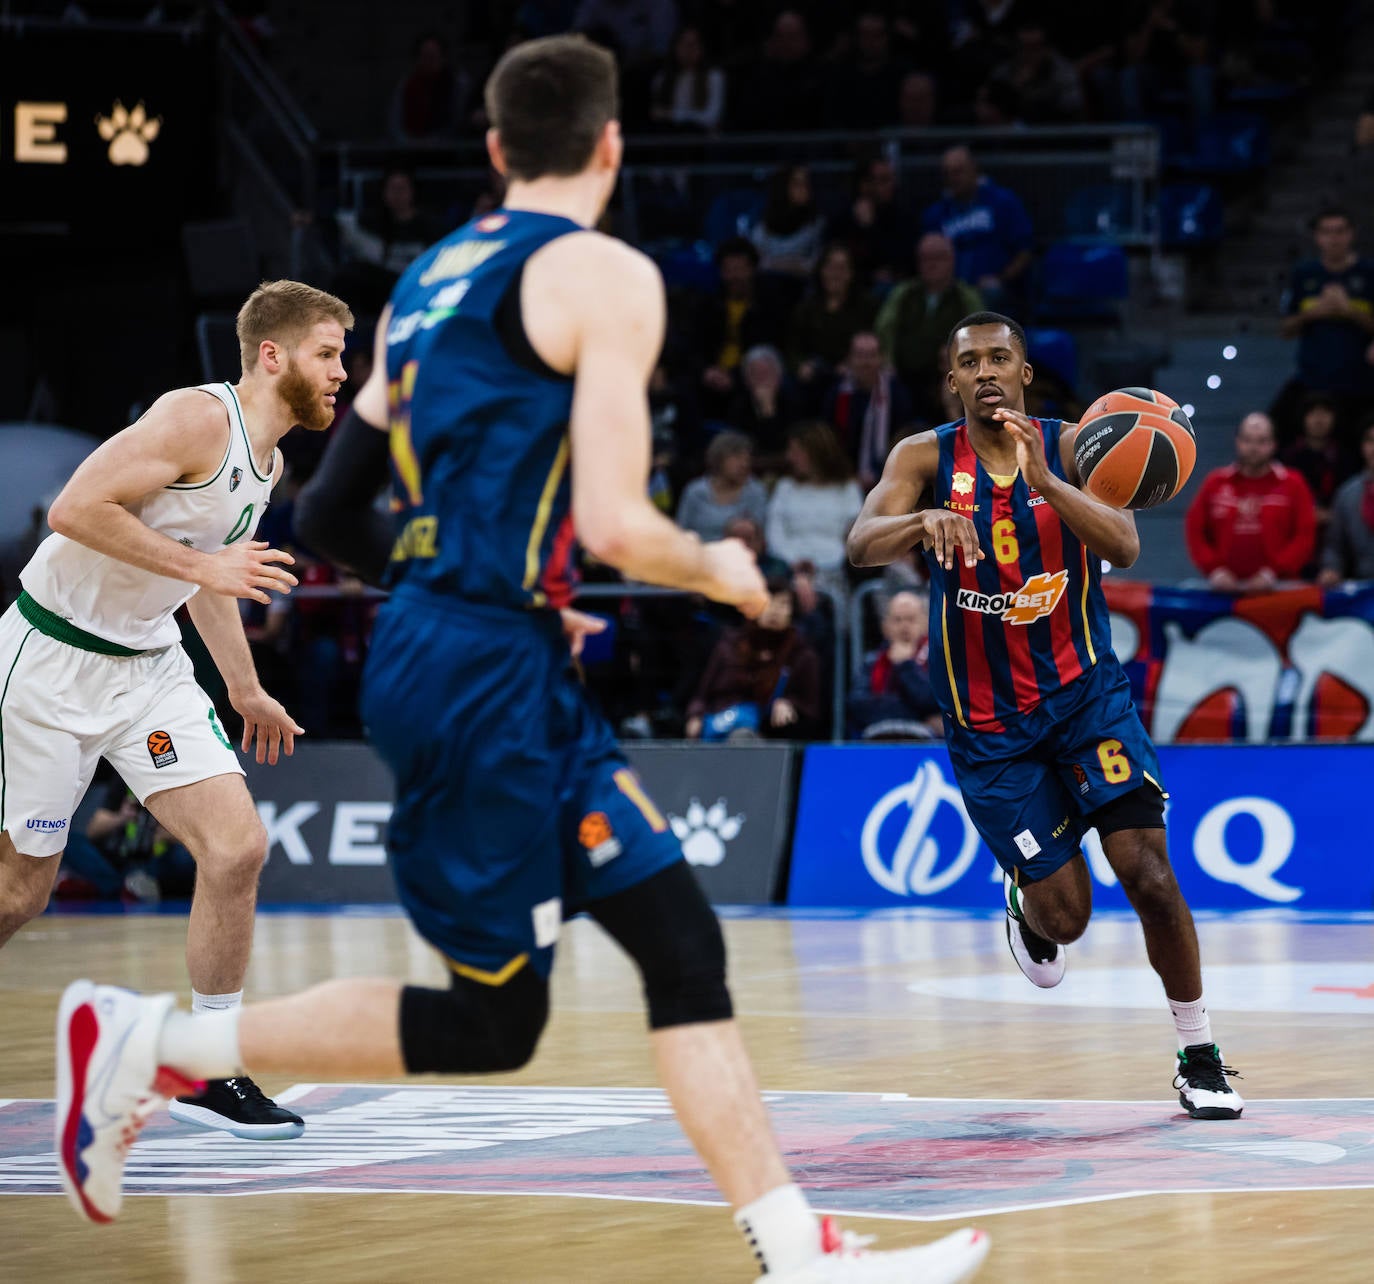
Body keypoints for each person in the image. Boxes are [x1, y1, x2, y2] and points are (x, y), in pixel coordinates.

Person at [54, 35, 989, 1283]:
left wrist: (492, 592)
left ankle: (793, 1245)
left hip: (485, 650)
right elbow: (611, 523)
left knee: (679, 944)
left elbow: (333, 515)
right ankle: (149, 1041)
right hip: (482, 674)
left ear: (495, 151)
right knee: (493, 1020)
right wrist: (715, 569)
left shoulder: (433, 277)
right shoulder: (603, 274)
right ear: (612, 145)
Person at [847, 310, 1244, 1122]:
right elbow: (859, 544)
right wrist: (919, 521)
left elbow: (1126, 547)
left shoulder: (1071, 445)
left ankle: (1198, 1054)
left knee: (1151, 874)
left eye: (1001, 358)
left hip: (1086, 699)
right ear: (951, 380)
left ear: (1026, 373)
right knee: (1067, 919)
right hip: (990, 727)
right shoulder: (922, 457)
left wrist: (1048, 487)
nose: (986, 371)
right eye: (970, 362)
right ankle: (1026, 898)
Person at [8, 280, 350, 1141]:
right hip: (54, 655)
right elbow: (75, 509)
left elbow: (210, 578)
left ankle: (205, 1062)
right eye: (328, 353)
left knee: (236, 848)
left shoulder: (268, 461)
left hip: (148, 666)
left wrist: (243, 687)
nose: (342, 372)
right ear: (272, 356)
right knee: (20, 893)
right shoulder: (196, 418)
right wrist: (204, 571)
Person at [1184, 411, 1317, 592]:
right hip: (1223, 591)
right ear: (1238, 442)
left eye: (1261, 441)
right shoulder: (1215, 482)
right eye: (1247, 440)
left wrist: (1272, 572)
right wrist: (1215, 570)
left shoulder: (1293, 483)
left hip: (1280, 590)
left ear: (1273, 444)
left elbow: (1304, 536)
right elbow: (1195, 530)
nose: (1253, 447)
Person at [1272, 208, 1374, 436]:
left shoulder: (1369, 273)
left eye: (1340, 231)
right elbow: (1285, 329)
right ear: (1317, 236)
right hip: (1312, 381)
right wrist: (1316, 312)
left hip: (1362, 383)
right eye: (1327, 232)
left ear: (1352, 234)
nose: (1333, 238)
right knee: (1274, 426)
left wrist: (1348, 310)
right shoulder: (1304, 274)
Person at [685, 575, 822, 742]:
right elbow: (702, 693)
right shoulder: (729, 646)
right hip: (717, 725)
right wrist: (695, 716)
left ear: (792, 612)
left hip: (767, 736)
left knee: (742, 738)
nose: (775, 610)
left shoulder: (801, 655)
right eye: (768, 602)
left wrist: (790, 704)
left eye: (783, 604)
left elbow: (812, 708)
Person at [875, 232, 984, 424]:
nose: (931, 264)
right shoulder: (904, 294)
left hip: (946, 377)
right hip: (903, 376)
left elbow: (981, 336)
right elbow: (884, 330)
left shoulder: (966, 297)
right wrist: (888, 362)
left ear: (951, 260)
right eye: (925, 258)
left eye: (938, 258)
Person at [921, 147, 1034, 310]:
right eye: (947, 174)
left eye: (958, 172)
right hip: (950, 290)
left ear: (974, 170)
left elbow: (1025, 251)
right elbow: (927, 256)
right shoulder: (935, 214)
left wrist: (1001, 278)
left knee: (991, 293)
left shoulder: (1003, 202)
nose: (953, 179)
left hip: (996, 289)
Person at [765, 421, 864, 605]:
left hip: (834, 567)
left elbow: (854, 535)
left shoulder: (848, 489)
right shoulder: (785, 487)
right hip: (788, 567)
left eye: (796, 451)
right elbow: (774, 533)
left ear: (817, 453)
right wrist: (794, 561)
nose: (790, 457)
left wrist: (822, 565)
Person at [845, 589, 942, 740]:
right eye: (897, 620)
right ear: (886, 626)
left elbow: (935, 700)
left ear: (925, 623)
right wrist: (917, 713)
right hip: (877, 741)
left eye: (911, 619)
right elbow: (857, 705)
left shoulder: (939, 659)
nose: (904, 626)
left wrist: (905, 665)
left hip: (927, 744)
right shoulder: (872, 661)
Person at [825, 331, 915, 490]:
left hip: (889, 477)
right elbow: (830, 439)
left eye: (871, 355)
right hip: (843, 478)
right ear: (849, 359)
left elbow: (903, 437)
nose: (865, 362)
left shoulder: (896, 393)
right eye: (860, 355)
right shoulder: (837, 394)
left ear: (881, 358)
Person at [676, 430, 768, 542]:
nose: (744, 464)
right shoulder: (695, 491)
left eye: (747, 459)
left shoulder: (755, 491)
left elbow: (759, 539)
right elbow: (680, 532)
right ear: (719, 459)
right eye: (737, 458)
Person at [1318, 417, 1374, 585]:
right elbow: (1335, 546)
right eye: (1371, 441)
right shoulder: (1347, 494)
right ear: (1363, 446)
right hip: (1362, 589)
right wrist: (1331, 568)